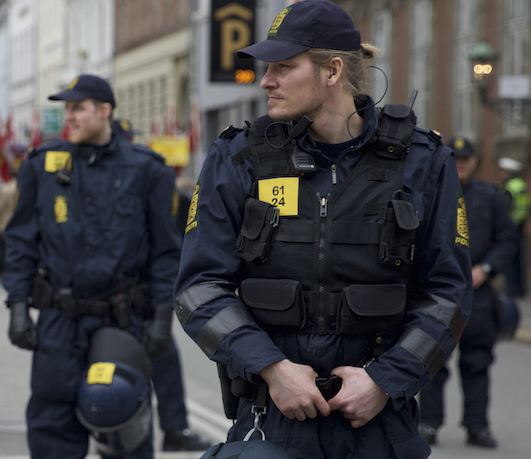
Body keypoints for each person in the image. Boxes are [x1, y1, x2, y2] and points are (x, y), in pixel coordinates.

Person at [173, 1, 472, 458]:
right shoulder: (239, 158)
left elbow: (448, 294)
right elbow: (197, 288)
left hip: (378, 424)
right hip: (272, 418)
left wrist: (384, 380)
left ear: (332, 71)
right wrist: (272, 368)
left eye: (282, 67)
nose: (266, 80)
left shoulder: (423, 162)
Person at [2, 74, 181, 458]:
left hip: (121, 323)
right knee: (52, 432)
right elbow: (20, 242)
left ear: (105, 111)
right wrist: (18, 307)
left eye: (78, 108)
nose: (70, 117)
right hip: (58, 326)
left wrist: (163, 315)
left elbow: (166, 252)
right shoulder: (41, 166)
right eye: (67, 109)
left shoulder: (147, 169)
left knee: (124, 427)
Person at [111, 117, 211, 452]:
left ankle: (172, 429)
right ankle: (141, 432)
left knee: (161, 359)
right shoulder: (109, 179)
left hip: (144, 291)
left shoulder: (146, 177)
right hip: (122, 292)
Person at [417, 137, 517, 448]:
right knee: (432, 362)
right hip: (439, 294)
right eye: (455, 158)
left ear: (474, 161)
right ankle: (429, 423)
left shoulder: (490, 197)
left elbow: (507, 241)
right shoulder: (431, 192)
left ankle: (477, 426)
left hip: (479, 294)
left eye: (466, 159)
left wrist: (485, 269)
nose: (460, 163)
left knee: (477, 363)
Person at [497, 156, 528, 298]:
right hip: (520, 226)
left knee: (509, 260)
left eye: (503, 172)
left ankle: (512, 289)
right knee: (519, 259)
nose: (501, 175)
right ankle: (520, 289)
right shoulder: (521, 185)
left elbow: (505, 209)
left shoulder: (509, 188)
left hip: (510, 228)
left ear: (508, 173)